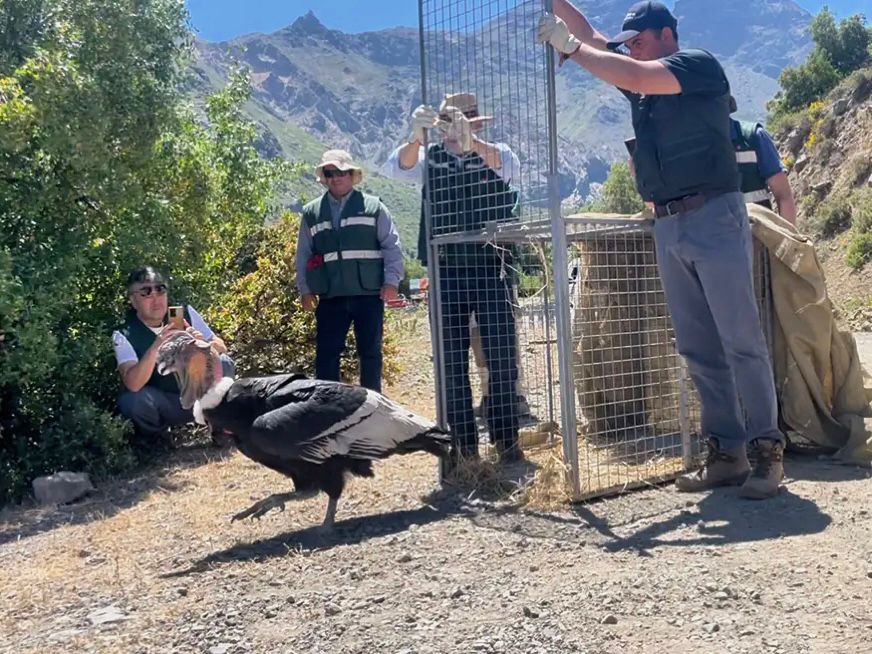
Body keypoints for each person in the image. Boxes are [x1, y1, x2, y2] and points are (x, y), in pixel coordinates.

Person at [538, 1, 785, 498]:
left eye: (640, 41)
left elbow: (625, 67)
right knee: (698, 346)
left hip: (714, 215)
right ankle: (727, 454)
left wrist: (571, 48)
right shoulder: (640, 75)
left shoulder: (696, 66)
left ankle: (767, 452)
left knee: (741, 340)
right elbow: (597, 39)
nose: (632, 49)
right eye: (629, 44)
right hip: (669, 224)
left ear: (667, 34)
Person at [383, 91, 525, 465]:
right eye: (448, 121)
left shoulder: (497, 152)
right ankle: (463, 447)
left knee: (501, 357)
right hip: (446, 269)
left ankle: (506, 439)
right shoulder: (430, 157)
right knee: (451, 361)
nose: (453, 127)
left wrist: (472, 142)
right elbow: (396, 167)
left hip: (492, 266)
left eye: (460, 120)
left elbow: (509, 169)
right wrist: (416, 137)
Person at [296, 149, 403, 393]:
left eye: (341, 172)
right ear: (324, 177)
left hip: (368, 295)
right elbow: (303, 253)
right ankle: (327, 404)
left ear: (352, 175)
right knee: (326, 355)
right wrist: (305, 289)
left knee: (370, 353)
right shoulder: (311, 212)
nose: (335, 177)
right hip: (330, 295)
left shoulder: (374, 207)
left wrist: (391, 282)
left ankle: (373, 404)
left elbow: (391, 245)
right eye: (329, 173)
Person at [113, 266, 235, 444]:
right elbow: (133, 384)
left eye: (160, 289)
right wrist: (156, 346)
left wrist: (203, 344)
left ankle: (220, 427)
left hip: (201, 398)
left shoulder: (184, 314)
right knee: (132, 401)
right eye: (146, 292)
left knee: (223, 362)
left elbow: (222, 348)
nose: (156, 298)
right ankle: (158, 444)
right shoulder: (124, 333)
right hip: (166, 404)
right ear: (133, 300)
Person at [729, 96, 797, 223]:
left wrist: (785, 235)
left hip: (757, 233)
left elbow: (784, 196)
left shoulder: (753, 137)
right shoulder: (694, 148)